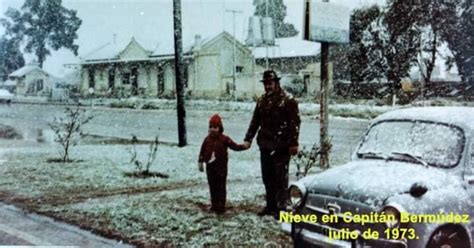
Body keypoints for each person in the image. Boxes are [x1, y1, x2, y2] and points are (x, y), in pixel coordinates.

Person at [243, 70, 301, 218]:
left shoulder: (288, 100)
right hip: (265, 145)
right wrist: (248, 138)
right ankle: (270, 206)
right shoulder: (262, 100)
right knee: (267, 178)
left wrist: (294, 143)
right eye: (266, 84)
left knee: (280, 179)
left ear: (276, 83)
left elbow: (295, 123)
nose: (268, 86)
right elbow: (255, 121)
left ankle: (281, 208)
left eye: (270, 83)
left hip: (281, 146)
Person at [198, 114, 248, 214]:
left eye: (215, 127)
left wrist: (244, 146)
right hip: (210, 167)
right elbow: (202, 151)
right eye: (211, 127)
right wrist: (200, 161)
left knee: (221, 186)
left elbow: (234, 146)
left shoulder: (224, 139)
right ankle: (214, 204)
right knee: (212, 186)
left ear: (220, 128)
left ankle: (221, 205)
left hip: (221, 167)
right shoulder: (207, 140)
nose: (212, 129)